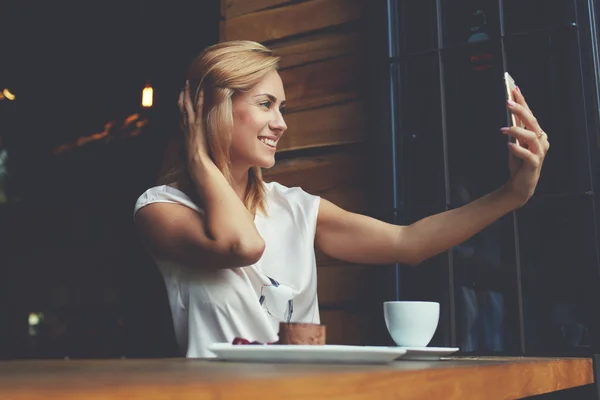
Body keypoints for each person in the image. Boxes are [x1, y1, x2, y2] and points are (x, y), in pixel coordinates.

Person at [133, 40, 550, 357]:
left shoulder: (293, 207)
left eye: (283, 108)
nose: (280, 124)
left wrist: (512, 194)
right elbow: (242, 245)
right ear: (214, 109)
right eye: (265, 105)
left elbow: (409, 243)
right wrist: (201, 160)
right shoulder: (161, 209)